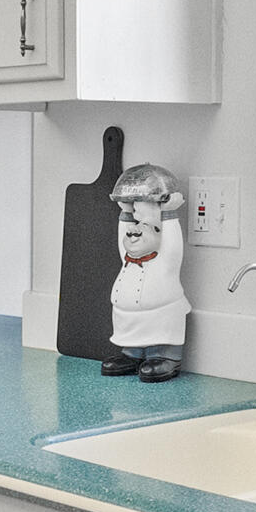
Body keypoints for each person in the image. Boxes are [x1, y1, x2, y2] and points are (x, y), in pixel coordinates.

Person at [107, 162, 188, 381]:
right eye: (132, 232)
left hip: (161, 313)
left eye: (140, 231)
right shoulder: (128, 258)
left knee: (160, 334)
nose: (133, 235)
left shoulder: (164, 259)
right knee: (132, 334)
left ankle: (165, 357)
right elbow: (122, 238)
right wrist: (125, 212)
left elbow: (172, 243)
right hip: (128, 319)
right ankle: (132, 354)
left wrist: (169, 212)